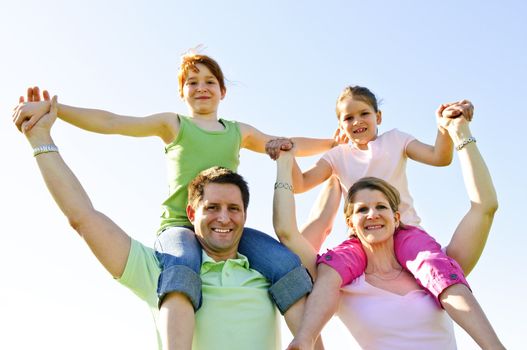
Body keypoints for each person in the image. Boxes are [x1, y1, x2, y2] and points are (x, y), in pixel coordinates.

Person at [12, 52, 335, 349]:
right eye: (192, 83)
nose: (201, 88)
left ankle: (306, 343)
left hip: (225, 227)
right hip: (181, 226)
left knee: (284, 264)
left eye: (210, 81)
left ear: (223, 92)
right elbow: (113, 122)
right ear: (182, 93)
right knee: (181, 267)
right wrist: (57, 110)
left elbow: (287, 144)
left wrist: (335, 143)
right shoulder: (174, 124)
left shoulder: (239, 132)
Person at [272, 110, 505, 349]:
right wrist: (284, 163)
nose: (372, 214)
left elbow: (485, 206)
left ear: (396, 218)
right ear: (350, 223)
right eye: (362, 210)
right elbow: (286, 231)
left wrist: (460, 132)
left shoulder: (437, 266)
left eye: (380, 206)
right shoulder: (341, 281)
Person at [276, 85, 478, 310]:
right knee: (329, 270)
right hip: (362, 239)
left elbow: (439, 157)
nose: (356, 122)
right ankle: (305, 339)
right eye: (348, 118)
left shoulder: (396, 140)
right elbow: (301, 183)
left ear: (378, 117)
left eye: (364, 114)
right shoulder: (337, 156)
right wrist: (288, 154)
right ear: (340, 125)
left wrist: (443, 128)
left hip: (404, 229)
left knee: (432, 264)